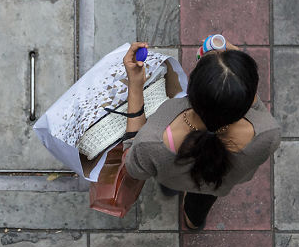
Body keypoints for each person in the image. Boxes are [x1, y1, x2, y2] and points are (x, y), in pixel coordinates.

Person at [119, 41, 281, 229]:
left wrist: (135, 85)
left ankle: (171, 190)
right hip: (216, 185)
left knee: (169, 183)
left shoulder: (152, 142)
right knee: (200, 206)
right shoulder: (268, 133)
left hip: (171, 176)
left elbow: (132, 165)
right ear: (245, 101)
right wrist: (237, 70)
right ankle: (193, 223)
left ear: (191, 91)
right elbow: (253, 103)